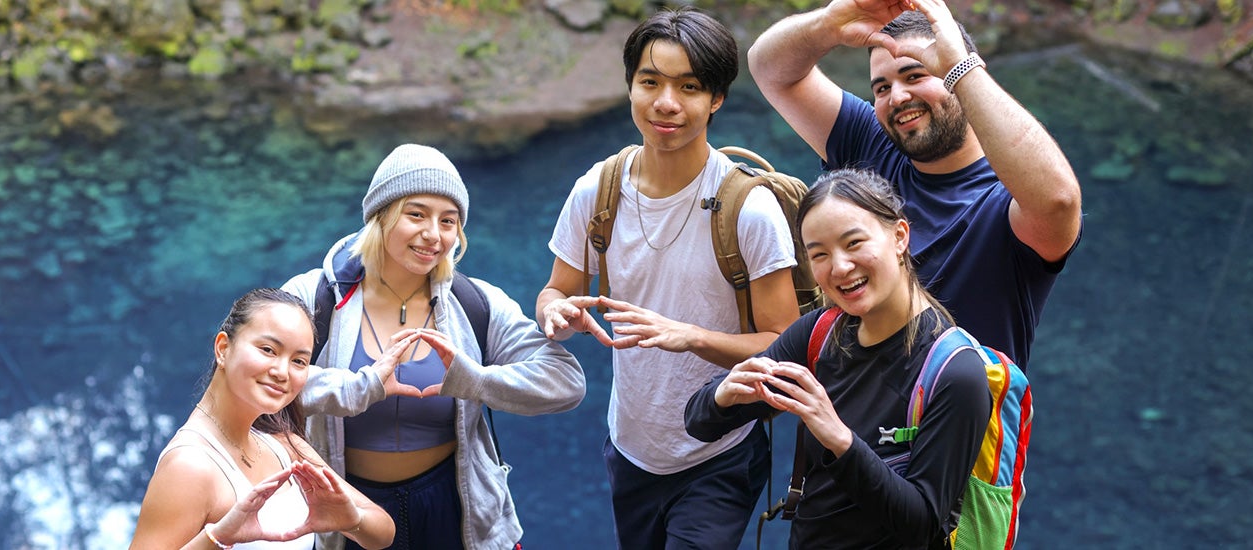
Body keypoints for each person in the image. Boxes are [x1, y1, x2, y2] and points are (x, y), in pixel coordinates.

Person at [535, 7, 801, 549]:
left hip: (721, 450)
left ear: (716, 99)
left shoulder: (748, 210)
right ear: (630, 85)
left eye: (690, 86)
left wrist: (691, 337)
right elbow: (555, 289)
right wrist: (555, 311)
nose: (666, 103)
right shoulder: (598, 191)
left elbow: (784, 347)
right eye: (650, 82)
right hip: (631, 446)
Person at [281, 143, 586, 550]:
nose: (433, 235)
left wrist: (474, 380)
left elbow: (567, 382)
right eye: (416, 214)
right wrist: (360, 386)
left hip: (455, 507)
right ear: (381, 216)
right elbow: (256, 380)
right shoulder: (312, 298)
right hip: (351, 511)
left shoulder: (479, 304)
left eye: (449, 221)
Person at [748, 0, 1083, 368]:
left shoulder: (1006, 199)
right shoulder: (869, 141)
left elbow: (1060, 202)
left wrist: (961, 66)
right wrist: (830, 23)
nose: (898, 97)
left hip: (951, 419)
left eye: (915, 75)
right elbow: (770, 69)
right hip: (842, 411)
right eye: (881, 87)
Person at [685, 168, 992, 548]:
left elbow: (924, 526)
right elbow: (699, 425)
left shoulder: (955, 374)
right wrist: (724, 395)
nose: (840, 267)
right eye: (819, 254)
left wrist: (840, 440)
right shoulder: (819, 334)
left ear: (899, 236)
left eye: (854, 243)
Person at [132, 288, 396, 550]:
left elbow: (383, 532)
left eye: (299, 361)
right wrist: (217, 538)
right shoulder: (190, 466)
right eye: (268, 350)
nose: (282, 372)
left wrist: (352, 520)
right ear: (223, 348)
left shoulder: (283, 445)